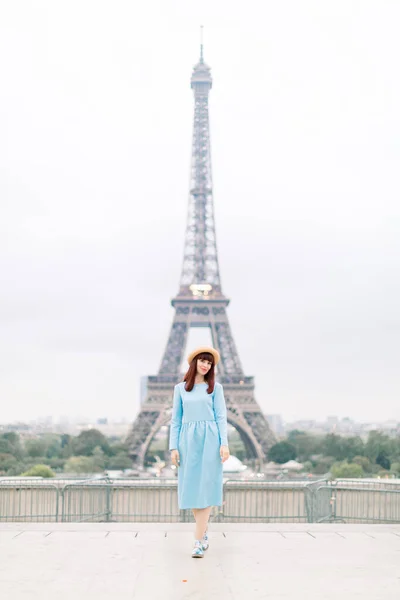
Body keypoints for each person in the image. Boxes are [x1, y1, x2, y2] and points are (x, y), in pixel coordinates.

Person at [169, 346, 230, 558]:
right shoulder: (180, 389)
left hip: (210, 439)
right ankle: (203, 532)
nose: (205, 365)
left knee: (206, 486)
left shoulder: (216, 389)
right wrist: (173, 446)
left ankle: (197, 540)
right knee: (191, 487)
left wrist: (224, 444)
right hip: (187, 441)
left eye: (209, 362)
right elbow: (175, 420)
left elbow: (221, 417)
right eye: (202, 361)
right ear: (194, 362)